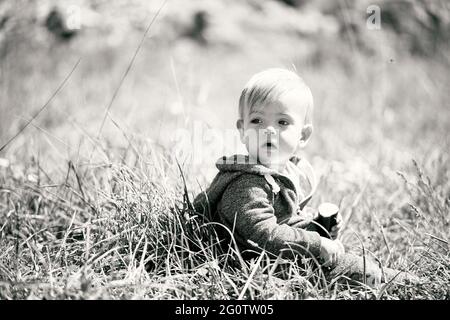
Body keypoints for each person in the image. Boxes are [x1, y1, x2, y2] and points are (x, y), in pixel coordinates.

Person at [194, 68, 417, 287]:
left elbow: (288, 220)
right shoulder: (246, 184)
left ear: (303, 135)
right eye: (257, 121)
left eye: (282, 122)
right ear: (242, 130)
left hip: (285, 255)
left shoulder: (288, 171)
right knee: (356, 270)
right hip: (259, 264)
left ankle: (399, 280)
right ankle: (393, 283)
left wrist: (320, 227)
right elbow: (263, 235)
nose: (269, 130)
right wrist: (315, 243)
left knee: (352, 261)